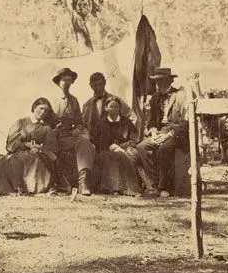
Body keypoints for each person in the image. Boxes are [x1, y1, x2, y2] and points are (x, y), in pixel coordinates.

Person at [0, 97, 58, 195]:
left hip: (38, 153)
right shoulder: (21, 123)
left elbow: (51, 146)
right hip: (19, 151)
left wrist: (39, 148)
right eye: (41, 108)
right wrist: (25, 145)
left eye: (46, 110)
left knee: (39, 161)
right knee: (17, 160)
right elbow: (11, 144)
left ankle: (35, 188)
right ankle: (17, 187)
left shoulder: (46, 127)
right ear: (34, 108)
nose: (43, 112)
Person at [135, 67, 188, 197]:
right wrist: (154, 133)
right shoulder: (155, 98)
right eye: (157, 81)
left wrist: (168, 135)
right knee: (141, 147)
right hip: (160, 132)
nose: (159, 84)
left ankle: (165, 187)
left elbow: (185, 123)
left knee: (164, 148)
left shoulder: (181, 96)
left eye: (163, 80)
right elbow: (152, 121)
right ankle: (155, 183)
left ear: (170, 81)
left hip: (177, 133)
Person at [49, 67, 96, 195]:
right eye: (64, 80)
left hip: (69, 136)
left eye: (69, 80)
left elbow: (79, 122)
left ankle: (83, 182)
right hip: (55, 136)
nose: (67, 83)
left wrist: (77, 129)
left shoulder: (74, 100)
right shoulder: (52, 100)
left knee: (85, 143)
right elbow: (46, 121)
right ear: (58, 82)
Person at [91, 97, 142, 195]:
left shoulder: (126, 122)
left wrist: (121, 147)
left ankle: (126, 188)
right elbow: (96, 140)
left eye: (116, 107)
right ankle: (111, 188)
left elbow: (135, 138)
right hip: (106, 150)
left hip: (124, 149)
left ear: (119, 108)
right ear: (106, 108)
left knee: (125, 156)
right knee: (107, 157)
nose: (114, 109)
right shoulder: (101, 123)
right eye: (111, 106)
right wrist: (110, 147)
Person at [80, 72, 139, 137]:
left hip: (114, 140)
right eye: (95, 85)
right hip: (94, 141)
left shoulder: (115, 100)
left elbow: (132, 117)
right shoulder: (87, 105)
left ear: (104, 83)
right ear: (91, 86)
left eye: (100, 84)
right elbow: (83, 126)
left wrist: (125, 135)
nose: (98, 88)